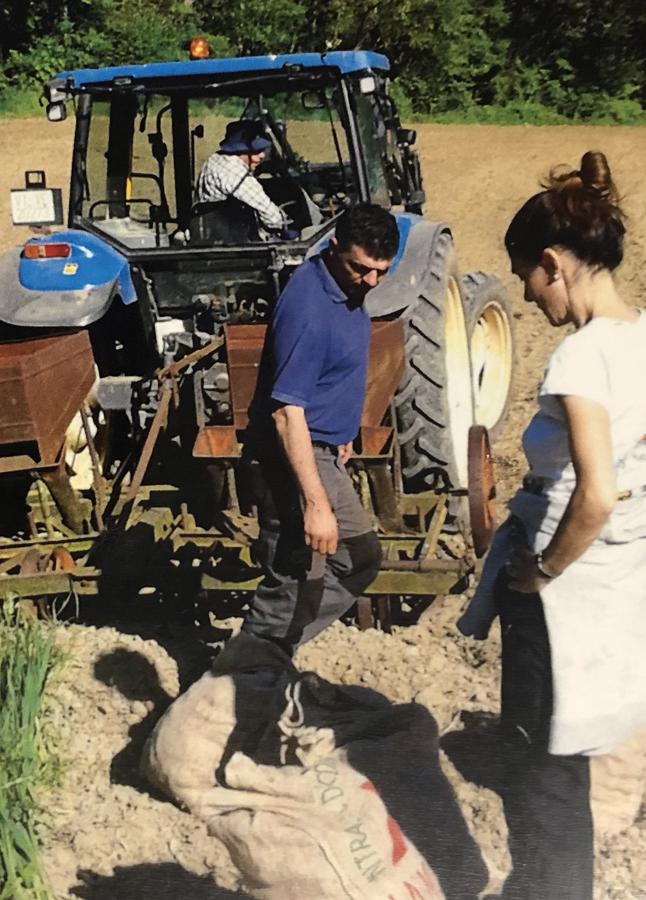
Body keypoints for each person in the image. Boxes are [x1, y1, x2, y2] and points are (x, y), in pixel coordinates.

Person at [458, 150, 646, 900]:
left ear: (552, 265)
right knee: (567, 759)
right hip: (618, 580)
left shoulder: (581, 357)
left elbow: (593, 494)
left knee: (541, 775)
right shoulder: (640, 336)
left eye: (529, 283)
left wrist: (539, 573)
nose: (532, 303)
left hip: (565, 591)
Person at [241, 203, 400, 652]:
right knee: (296, 581)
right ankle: (242, 677)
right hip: (295, 458)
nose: (369, 282)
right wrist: (315, 504)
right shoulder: (308, 308)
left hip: (327, 449)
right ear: (333, 248)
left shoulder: (343, 290)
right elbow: (285, 412)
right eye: (360, 268)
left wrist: (342, 430)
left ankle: (270, 657)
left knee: (360, 559)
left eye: (381, 272)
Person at [195, 119, 287, 237]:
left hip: (209, 231)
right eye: (256, 151)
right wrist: (285, 224)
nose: (262, 156)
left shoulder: (215, 159)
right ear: (239, 150)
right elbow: (274, 219)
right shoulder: (235, 173)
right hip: (229, 239)